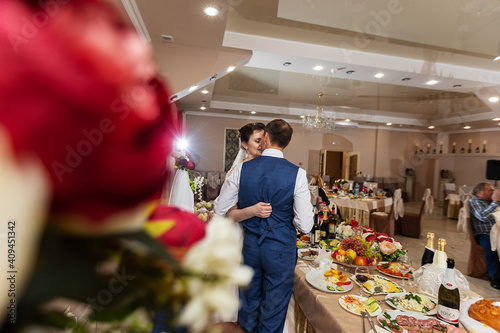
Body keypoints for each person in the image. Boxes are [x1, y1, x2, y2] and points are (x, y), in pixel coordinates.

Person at [215, 119, 313, 333]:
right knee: (274, 308)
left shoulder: (242, 170)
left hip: (250, 248)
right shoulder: (298, 174)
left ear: (266, 137)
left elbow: (221, 208)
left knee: (248, 304)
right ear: (287, 144)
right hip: (281, 251)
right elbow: (305, 225)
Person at [469, 182, 500, 290]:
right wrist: (496, 201)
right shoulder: (474, 201)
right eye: (490, 190)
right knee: (491, 246)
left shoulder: (492, 202)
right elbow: (483, 216)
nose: (493, 192)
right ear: (480, 192)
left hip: (497, 232)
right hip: (484, 234)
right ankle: (495, 278)